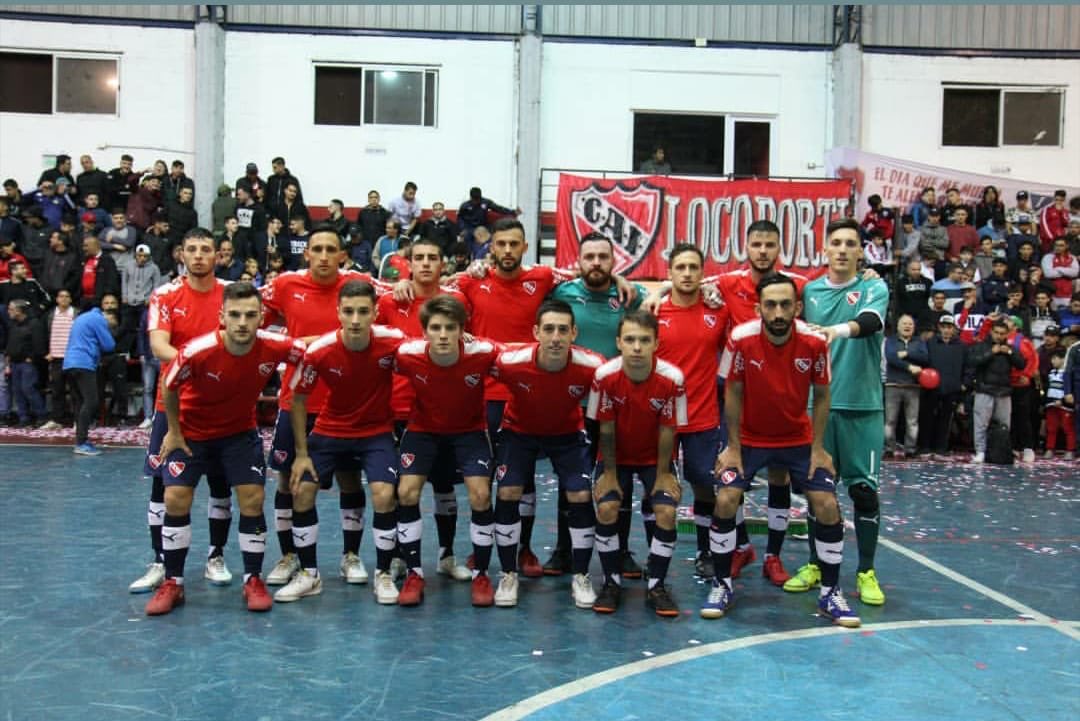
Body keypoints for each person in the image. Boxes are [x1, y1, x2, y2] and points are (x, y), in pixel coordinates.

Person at [448, 217, 631, 576]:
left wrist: (619, 279)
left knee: (524, 479)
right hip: (487, 394)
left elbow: (588, 275)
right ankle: (483, 548)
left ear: (525, 247)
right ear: (491, 247)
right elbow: (438, 291)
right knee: (486, 479)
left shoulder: (543, 278)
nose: (507, 251)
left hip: (531, 389)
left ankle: (526, 549)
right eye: (500, 244)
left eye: (514, 244)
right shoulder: (471, 280)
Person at [145, 282, 306, 616]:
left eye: (250, 315)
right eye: (235, 315)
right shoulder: (196, 350)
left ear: (262, 317)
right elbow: (168, 384)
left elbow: (308, 352)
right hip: (192, 433)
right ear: (222, 317)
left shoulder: (275, 345)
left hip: (238, 434)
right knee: (175, 498)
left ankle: (252, 579)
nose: (243, 322)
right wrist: (173, 432)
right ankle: (173, 582)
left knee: (252, 499)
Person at [710, 274, 858, 626]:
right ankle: (721, 584)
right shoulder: (740, 339)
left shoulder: (814, 342)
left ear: (798, 307)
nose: (778, 312)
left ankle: (830, 593)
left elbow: (822, 396)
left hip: (798, 440)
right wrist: (731, 447)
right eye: (771, 305)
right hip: (749, 440)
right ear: (759, 307)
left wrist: (819, 449)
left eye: (785, 304)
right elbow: (732, 392)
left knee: (827, 504)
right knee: (726, 498)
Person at [260, 226, 390, 588]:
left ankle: (351, 555)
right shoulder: (286, 284)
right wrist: (290, 343)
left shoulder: (360, 283)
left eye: (330, 249)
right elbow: (248, 312)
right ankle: (290, 557)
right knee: (291, 482)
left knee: (350, 479)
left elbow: (398, 298)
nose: (322, 255)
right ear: (306, 253)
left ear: (342, 255)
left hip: (346, 406)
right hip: (297, 401)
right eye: (316, 248)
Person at [278, 281, 406, 604]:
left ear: (376, 313)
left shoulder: (394, 342)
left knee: (384, 494)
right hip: (330, 431)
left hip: (376, 432)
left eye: (364, 311)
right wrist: (302, 454)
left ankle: (384, 574)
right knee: (302, 490)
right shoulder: (319, 350)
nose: (356, 319)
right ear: (338, 313)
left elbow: (429, 351)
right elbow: (297, 400)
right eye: (348, 311)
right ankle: (309, 574)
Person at [788, 217, 890, 607]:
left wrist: (835, 331)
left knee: (863, 491)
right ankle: (816, 564)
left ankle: (866, 571)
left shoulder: (873, 286)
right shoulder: (809, 291)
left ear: (861, 251)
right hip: (818, 408)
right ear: (825, 250)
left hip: (863, 406)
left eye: (851, 243)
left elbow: (872, 322)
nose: (843, 249)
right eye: (837, 242)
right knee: (819, 493)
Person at [128, 229, 232, 595]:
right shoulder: (165, 295)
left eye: (207, 250)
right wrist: (204, 366)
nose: (200, 256)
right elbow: (159, 345)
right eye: (193, 250)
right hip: (170, 406)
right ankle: (160, 561)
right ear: (181, 254)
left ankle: (216, 556)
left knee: (221, 486)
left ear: (217, 255)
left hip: (220, 408)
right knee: (162, 487)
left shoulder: (230, 293)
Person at [542, 232, 648, 574]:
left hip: (618, 408)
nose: (597, 263)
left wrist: (623, 282)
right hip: (572, 405)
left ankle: (621, 551)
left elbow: (660, 301)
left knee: (621, 479)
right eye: (590, 257)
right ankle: (563, 549)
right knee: (571, 478)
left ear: (614, 261)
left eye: (604, 257)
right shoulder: (562, 291)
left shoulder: (632, 296)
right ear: (578, 261)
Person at [489, 299, 604, 607]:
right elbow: (476, 360)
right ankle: (508, 574)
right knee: (509, 490)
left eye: (563, 330)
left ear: (574, 333)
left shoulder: (593, 366)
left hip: (566, 433)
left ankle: (581, 576)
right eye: (549, 329)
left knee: (580, 495)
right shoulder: (511, 361)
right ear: (536, 332)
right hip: (519, 430)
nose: (555, 337)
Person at [393, 295, 502, 607]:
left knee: (480, 494)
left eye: (450, 328)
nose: (443, 334)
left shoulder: (483, 352)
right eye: (436, 328)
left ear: (462, 330)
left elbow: (519, 359)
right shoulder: (407, 354)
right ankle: (414, 572)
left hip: (468, 432)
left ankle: (481, 574)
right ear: (424, 331)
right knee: (407, 492)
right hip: (422, 430)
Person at [375, 238, 472, 581]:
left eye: (433, 257)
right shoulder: (390, 299)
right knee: (405, 487)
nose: (427, 263)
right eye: (420, 258)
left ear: (442, 264)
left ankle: (447, 555)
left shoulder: (456, 300)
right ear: (409, 264)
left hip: (443, 409)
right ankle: (403, 555)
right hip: (399, 407)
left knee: (445, 485)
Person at [587, 310, 686, 616]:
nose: (637, 347)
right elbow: (604, 427)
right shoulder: (604, 376)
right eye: (630, 339)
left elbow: (669, 429)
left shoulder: (672, 378)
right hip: (615, 455)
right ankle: (611, 582)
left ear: (656, 342)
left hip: (655, 457)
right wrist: (611, 475)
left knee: (666, 512)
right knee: (606, 507)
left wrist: (662, 475)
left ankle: (656, 584)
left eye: (645, 340)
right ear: (618, 342)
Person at [653, 244, 730, 580]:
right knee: (656, 486)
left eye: (693, 267)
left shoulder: (719, 312)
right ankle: (654, 556)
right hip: (661, 420)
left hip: (703, 417)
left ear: (702, 273)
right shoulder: (653, 311)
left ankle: (705, 550)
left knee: (702, 484)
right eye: (680, 267)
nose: (686, 273)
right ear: (669, 273)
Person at [968, 319, 1026, 464]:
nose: (999, 336)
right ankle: (980, 452)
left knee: (1004, 425)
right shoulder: (981, 346)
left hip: (1004, 391)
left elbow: (1022, 364)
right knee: (981, 424)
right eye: (996, 333)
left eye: (1002, 334)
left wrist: (1011, 353)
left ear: (1007, 334)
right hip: (984, 389)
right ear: (991, 332)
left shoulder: (1010, 348)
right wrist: (990, 353)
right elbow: (973, 361)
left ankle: (1002, 451)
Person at [62, 304, 117, 455]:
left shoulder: (82, 317)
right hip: (84, 363)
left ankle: (81, 440)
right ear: (108, 316)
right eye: (112, 324)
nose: (110, 327)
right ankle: (81, 442)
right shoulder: (98, 319)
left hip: (69, 363)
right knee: (91, 401)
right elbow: (109, 345)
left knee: (80, 403)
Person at [884, 315, 930, 457]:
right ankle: (889, 449)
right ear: (898, 326)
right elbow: (891, 358)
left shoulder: (920, 341)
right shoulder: (891, 341)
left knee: (912, 421)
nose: (907, 326)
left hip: (913, 386)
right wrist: (909, 366)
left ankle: (910, 450)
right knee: (890, 420)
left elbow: (925, 358)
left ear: (914, 327)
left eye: (910, 323)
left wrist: (907, 353)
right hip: (893, 385)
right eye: (904, 323)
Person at [924, 315, 968, 460]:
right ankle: (925, 447)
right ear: (939, 327)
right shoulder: (930, 343)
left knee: (946, 419)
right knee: (928, 417)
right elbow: (924, 362)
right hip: (932, 388)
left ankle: (941, 448)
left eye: (949, 327)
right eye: (944, 327)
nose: (947, 330)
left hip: (952, 389)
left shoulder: (961, 346)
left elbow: (967, 367)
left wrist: (964, 383)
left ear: (954, 329)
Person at [4, 299, 46, 427]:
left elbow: (40, 344)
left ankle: (41, 415)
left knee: (28, 389)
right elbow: (10, 344)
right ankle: (23, 418)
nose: (8, 312)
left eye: (11, 309)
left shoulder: (34, 324)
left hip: (27, 363)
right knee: (17, 390)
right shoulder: (13, 325)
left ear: (19, 310)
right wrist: (8, 362)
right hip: (14, 363)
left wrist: (31, 358)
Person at [41, 288, 77, 429]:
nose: (64, 299)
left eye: (67, 296)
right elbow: (43, 334)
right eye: (61, 296)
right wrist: (46, 352)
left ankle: (77, 420)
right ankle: (57, 420)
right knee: (57, 390)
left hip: (72, 358)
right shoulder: (50, 315)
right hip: (55, 358)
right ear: (56, 299)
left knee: (75, 391)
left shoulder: (76, 314)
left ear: (71, 299)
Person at [1043, 349, 1074, 460]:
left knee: (1067, 428)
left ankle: (1070, 450)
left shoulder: (1068, 374)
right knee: (1051, 428)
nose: (1052, 361)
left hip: (1064, 406)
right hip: (1051, 405)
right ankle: (1050, 448)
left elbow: (1070, 389)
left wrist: (1063, 401)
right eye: (1052, 359)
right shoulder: (1051, 373)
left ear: (1063, 359)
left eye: (1055, 358)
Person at [79, 235, 120, 310]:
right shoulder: (84, 259)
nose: (84, 248)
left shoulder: (107, 260)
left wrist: (104, 296)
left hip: (98, 301)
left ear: (95, 246)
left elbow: (112, 280)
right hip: (84, 300)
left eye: (86, 246)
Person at [1041, 237, 1078, 311]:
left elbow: (1075, 273)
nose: (1058, 247)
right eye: (1056, 245)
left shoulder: (1072, 258)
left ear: (1066, 246)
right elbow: (1048, 274)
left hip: (1068, 293)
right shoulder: (1048, 257)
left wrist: (1058, 269)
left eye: (1061, 245)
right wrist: (1067, 271)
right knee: (1056, 315)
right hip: (1052, 294)